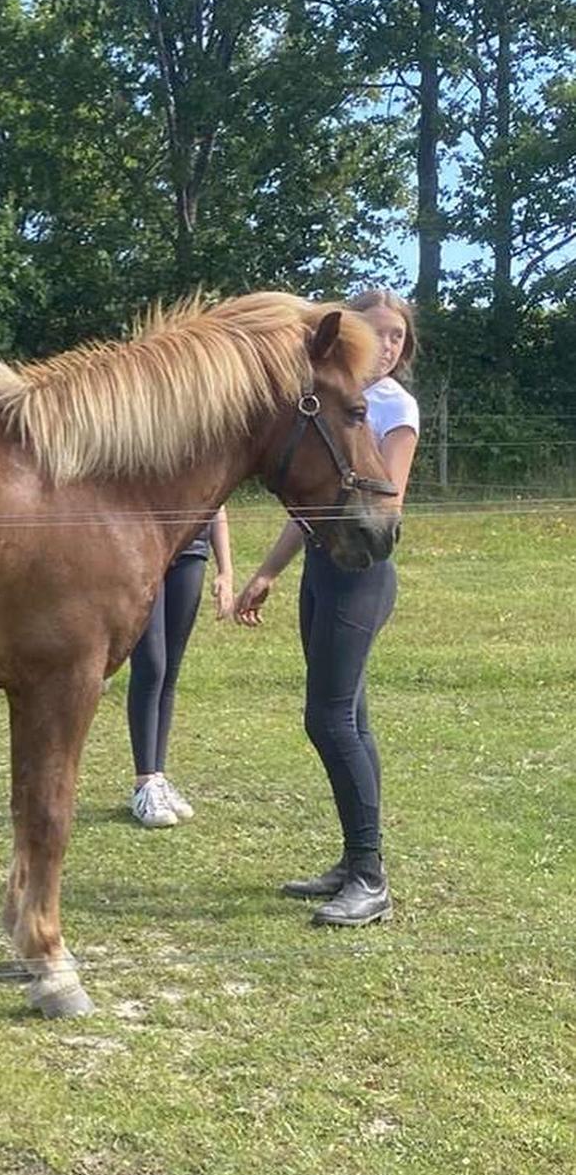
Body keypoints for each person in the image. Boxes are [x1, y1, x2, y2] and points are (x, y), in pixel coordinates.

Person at [233, 290, 420, 923]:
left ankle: (370, 877)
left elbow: (378, 504)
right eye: (378, 333)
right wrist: (268, 571)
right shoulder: (331, 390)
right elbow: (320, 499)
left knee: (331, 719)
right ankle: (354, 862)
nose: (388, 346)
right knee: (349, 719)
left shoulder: (392, 405)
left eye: (397, 336)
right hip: (324, 561)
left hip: (359, 570)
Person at [128, 507, 234, 827]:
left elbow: (218, 502)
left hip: (192, 549)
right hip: (146, 547)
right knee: (151, 665)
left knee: (169, 670)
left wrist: (225, 570)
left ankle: (157, 777)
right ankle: (144, 782)